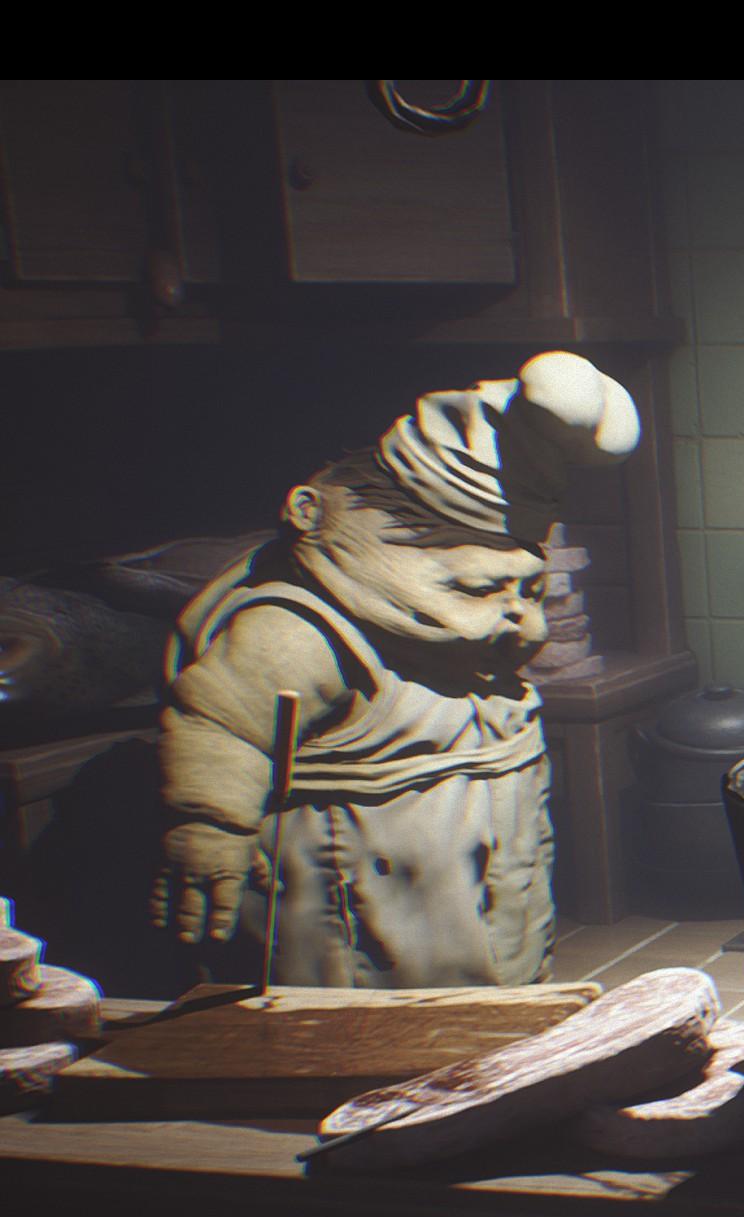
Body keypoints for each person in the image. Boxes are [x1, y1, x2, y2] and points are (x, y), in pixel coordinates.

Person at [151, 352, 638, 987]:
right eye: (476, 588)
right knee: (361, 1022)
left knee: (494, 1001)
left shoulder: (471, 653)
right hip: (352, 946)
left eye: (530, 592)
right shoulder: (303, 633)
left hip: (491, 919)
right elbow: (223, 722)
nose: (526, 624)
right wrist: (211, 827)